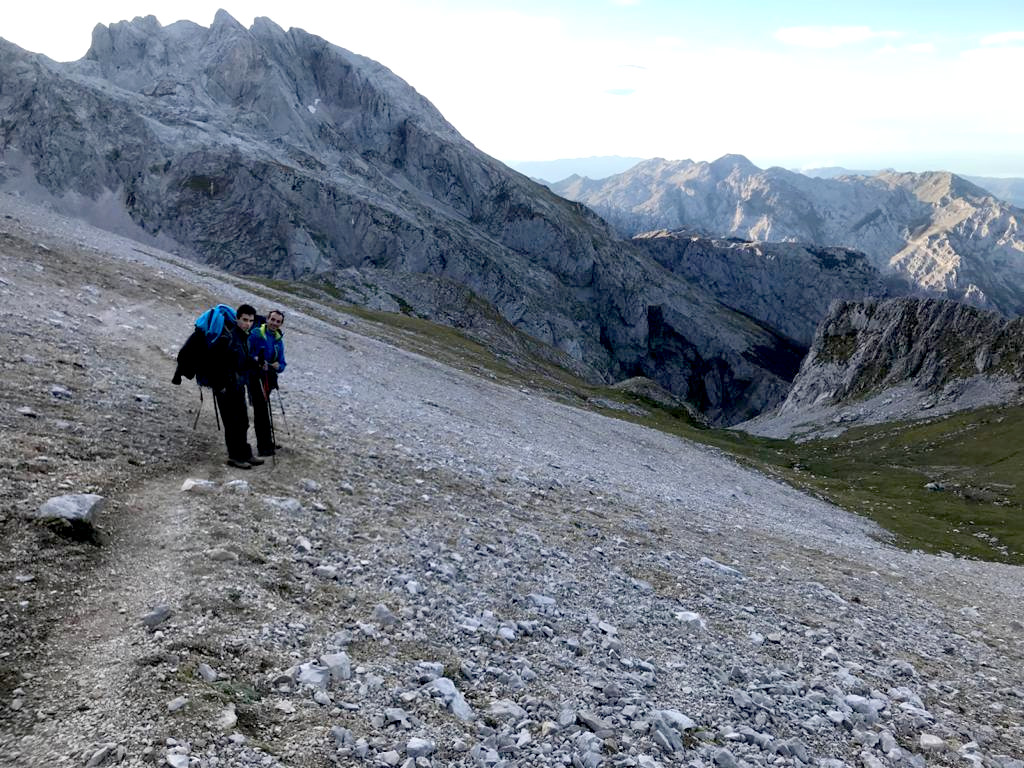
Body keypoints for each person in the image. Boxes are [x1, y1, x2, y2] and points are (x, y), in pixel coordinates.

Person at [212, 303, 264, 469]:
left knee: (242, 421)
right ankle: (235, 456)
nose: (247, 323)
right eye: (244, 320)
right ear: (237, 318)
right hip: (226, 388)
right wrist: (221, 386)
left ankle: (245, 453)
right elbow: (218, 364)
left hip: (238, 385)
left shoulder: (244, 337)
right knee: (232, 423)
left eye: (250, 320)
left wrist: (256, 364)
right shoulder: (227, 337)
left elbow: (242, 361)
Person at [248, 309, 287, 457]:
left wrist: (279, 366)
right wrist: (256, 360)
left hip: (268, 378)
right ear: (267, 319)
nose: (275, 323)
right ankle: (264, 447)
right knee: (262, 410)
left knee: (263, 409)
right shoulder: (256, 334)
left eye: (278, 321)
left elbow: (283, 363)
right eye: (273, 320)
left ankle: (267, 443)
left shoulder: (278, 340)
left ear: (281, 323)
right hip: (255, 376)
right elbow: (247, 352)